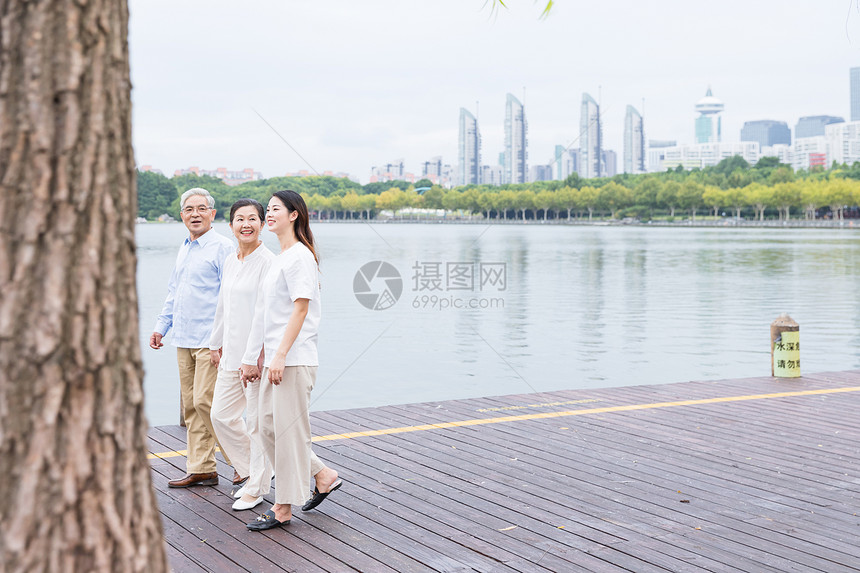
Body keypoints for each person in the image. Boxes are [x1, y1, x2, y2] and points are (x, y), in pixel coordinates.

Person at [245, 190, 342, 531]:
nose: (267, 214)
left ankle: (283, 506)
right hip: (276, 358)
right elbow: (269, 315)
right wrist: (258, 355)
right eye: (267, 210)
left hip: (293, 359)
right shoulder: (281, 257)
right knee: (267, 426)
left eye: (274, 210)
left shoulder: (299, 256)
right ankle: (323, 475)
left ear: (293, 215)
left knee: (285, 431)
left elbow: (300, 308)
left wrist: (281, 355)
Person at [150, 187, 235, 488]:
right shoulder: (184, 247)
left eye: (201, 209)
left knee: (207, 402)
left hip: (211, 340)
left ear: (212, 214)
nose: (195, 214)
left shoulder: (223, 248)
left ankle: (243, 462)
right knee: (191, 406)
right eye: (189, 209)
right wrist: (162, 326)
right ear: (182, 214)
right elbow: (175, 292)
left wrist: (223, 339)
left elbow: (230, 297)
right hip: (183, 338)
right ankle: (202, 468)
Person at [209, 199, 275, 511]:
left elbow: (267, 316)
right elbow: (223, 306)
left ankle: (257, 486)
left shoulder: (269, 263)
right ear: (231, 224)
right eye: (239, 219)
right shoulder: (231, 260)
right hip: (230, 354)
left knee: (256, 424)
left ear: (262, 224)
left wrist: (255, 356)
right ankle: (253, 472)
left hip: (255, 359)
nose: (246, 224)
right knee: (220, 415)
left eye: (252, 219)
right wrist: (215, 343)